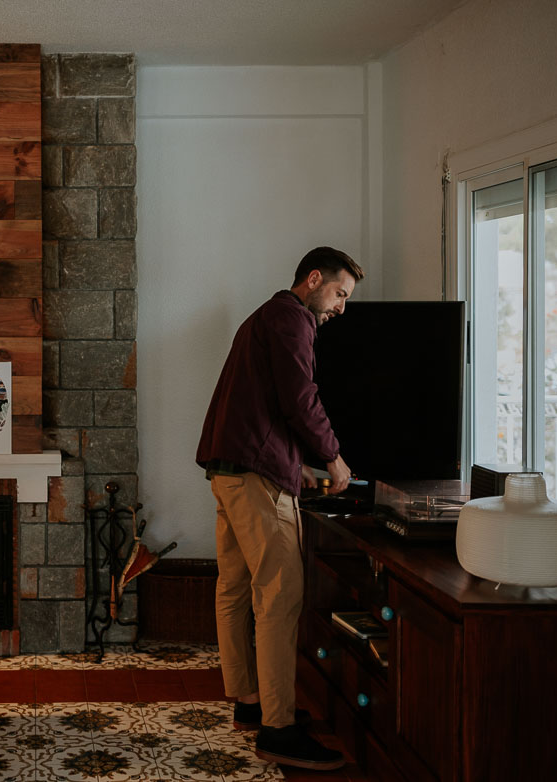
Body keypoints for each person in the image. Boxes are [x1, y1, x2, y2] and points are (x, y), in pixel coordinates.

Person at [196, 246, 363, 771]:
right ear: (313, 279)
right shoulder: (293, 319)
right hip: (256, 479)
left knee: (235, 588)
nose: (340, 308)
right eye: (339, 294)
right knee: (280, 597)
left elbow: (263, 406)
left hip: (227, 469)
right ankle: (278, 728)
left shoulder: (262, 316)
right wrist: (333, 458)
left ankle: (249, 702)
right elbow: (300, 398)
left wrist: (302, 467)